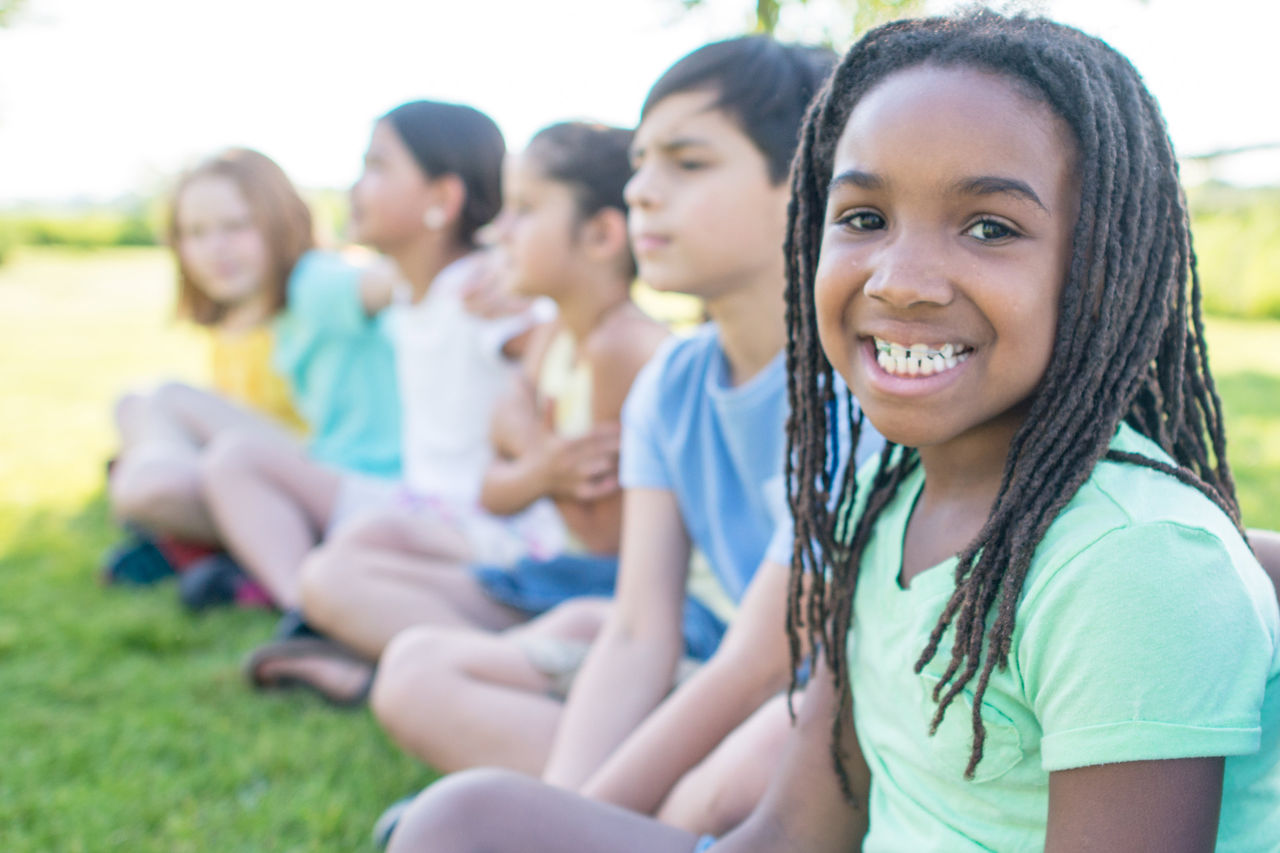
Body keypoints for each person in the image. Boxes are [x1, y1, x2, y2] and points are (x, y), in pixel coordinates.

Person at [384, 11, 1280, 852]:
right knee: (463, 818)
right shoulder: (876, 489)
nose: (900, 278)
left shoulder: (1131, 565)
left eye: (990, 226)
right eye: (864, 218)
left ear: (1104, 270)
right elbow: (790, 832)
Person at [367, 37, 885, 845]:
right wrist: (561, 814)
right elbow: (641, 626)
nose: (642, 190)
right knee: (431, 673)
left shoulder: (859, 387)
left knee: (735, 783)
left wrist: (562, 827)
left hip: (823, 701)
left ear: (804, 182)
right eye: (641, 161)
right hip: (718, 675)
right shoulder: (673, 383)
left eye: (687, 162)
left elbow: (766, 658)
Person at [244, 121, 669, 707]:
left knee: (337, 576)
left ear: (601, 234)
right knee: (350, 557)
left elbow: (600, 536)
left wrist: (529, 459)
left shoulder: (583, 336)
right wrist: (537, 467)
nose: (500, 231)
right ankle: (440, 660)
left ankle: (454, 668)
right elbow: (501, 484)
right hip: (522, 547)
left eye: (523, 210)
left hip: (562, 571)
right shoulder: (550, 338)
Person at [200, 101, 552, 619]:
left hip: (481, 529)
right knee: (236, 460)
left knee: (364, 544)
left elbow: (557, 349)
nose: (355, 187)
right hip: (416, 506)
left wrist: (535, 290)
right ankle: (308, 611)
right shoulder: (412, 295)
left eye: (377, 167)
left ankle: (323, 612)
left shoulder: (481, 293)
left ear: (442, 198)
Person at [105, 148, 402, 592]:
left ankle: (201, 545)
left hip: (327, 476)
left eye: (236, 226)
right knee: (133, 405)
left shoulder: (315, 286)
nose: (215, 248)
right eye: (195, 233)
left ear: (281, 221)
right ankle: (206, 542)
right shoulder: (233, 321)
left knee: (158, 444)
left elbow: (382, 283)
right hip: (264, 471)